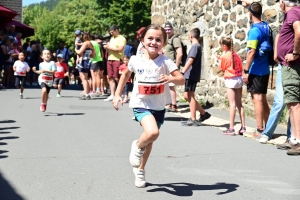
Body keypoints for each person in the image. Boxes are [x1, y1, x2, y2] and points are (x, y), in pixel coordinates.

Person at [112, 24, 185, 188]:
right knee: (152, 132)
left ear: (163, 43)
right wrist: (117, 94)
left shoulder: (166, 61)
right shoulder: (135, 60)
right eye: (150, 38)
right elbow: (125, 75)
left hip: (158, 106)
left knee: (150, 138)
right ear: (143, 40)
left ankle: (140, 169)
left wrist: (172, 79)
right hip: (141, 104)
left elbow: (181, 79)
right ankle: (137, 146)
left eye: (158, 39)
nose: (154, 42)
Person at [242, 2, 270, 136]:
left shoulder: (254, 30)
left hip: (256, 69)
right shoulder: (266, 26)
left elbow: (251, 52)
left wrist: (246, 71)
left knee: (257, 99)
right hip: (265, 69)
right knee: (263, 99)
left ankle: (260, 129)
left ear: (250, 14)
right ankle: (269, 128)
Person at [276, 0, 300, 155]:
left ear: (284, 2)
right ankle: (293, 138)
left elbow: (299, 31)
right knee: (291, 103)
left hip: (292, 66)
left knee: (294, 103)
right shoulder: (295, 12)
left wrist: (296, 53)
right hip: (289, 65)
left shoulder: (293, 12)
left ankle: (297, 141)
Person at [180, 28, 211, 126]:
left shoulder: (195, 46)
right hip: (191, 74)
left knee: (190, 96)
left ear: (191, 36)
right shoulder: (197, 46)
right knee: (186, 96)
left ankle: (193, 118)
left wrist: (183, 71)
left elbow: (190, 60)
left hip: (191, 74)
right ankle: (203, 113)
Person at [217, 36, 245, 135]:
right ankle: (243, 127)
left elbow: (223, 68)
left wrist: (220, 59)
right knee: (239, 104)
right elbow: (239, 65)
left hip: (230, 79)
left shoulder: (225, 55)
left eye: (221, 45)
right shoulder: (236, 55)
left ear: (224, 46)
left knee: (232, 104)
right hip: (238, 78)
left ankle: (231, 128)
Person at [103, 25, 126, 101]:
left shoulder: (121, 38)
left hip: (117, 59)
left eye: (112, 32)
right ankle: (112, 94)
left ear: (116, 30)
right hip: (110, 59)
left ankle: (122, 93)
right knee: (110, 77)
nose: (111, 34)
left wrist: (109, 47)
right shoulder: (112, 38)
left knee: (117, 77)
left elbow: (120, 49)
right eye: (110, 32)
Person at [163, 22, 183, 112]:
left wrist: (176, 66)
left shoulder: (175, 39)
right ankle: (171, 103)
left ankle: (174, 105)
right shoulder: (168, 39)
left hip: (172, 65)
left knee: (171, 85)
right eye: (166, 29)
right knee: (168, 85)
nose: (167, 31)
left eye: (169, 29)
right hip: (168, 65)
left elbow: (179, 53)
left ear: (172, 30)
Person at [75, 32, 95, 100]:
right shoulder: (91, 44)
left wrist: (76, 50)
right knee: (85, 78)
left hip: (83, 61)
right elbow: (93, 54)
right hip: (88, 61)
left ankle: (86, 94)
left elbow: (79, 52)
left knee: (83, 78)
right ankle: (87, 93)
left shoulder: (86, 43)